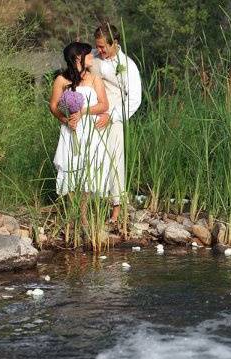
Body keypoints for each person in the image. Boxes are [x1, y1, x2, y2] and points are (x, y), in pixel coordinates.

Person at [49, 42, 110, 224]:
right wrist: (65, 119)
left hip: (90, 129)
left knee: (88, 168)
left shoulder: (94, 79)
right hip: (71, 129)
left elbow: (103, 105)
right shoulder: (61, 80)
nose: (92, 55)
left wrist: (82, 112)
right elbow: (53, 106)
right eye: (88, 53)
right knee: (70, 166)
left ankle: (82, 215)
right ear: (78, 57)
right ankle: (72, 211)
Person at [91, 23, 142, 224]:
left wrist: (112, 116)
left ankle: (116, 211)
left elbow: (135, 99)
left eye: (103, 47)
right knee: (93, 158)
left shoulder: (127, 65)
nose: (100, 50)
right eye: (98, 46)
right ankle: (93, 205)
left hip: (113, 117)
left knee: (114, 160)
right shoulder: (92, 57)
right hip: (92, 114)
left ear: (115, 43)